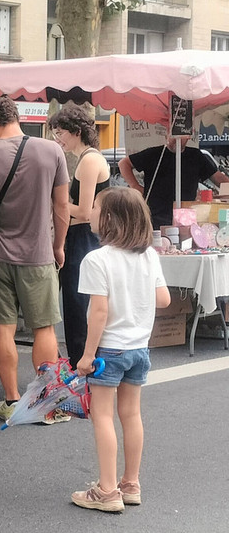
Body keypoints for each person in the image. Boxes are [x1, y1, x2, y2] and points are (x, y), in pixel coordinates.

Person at [0, 95, 70, 422]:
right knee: (44, 328)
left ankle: (12, 401)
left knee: (3, 327)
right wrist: (58, 245)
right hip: (39, 256)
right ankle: (45, 403)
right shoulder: (52, 151)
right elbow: (62, 206)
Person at [73, 188, 170, 512]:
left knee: (102, 416)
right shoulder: (148, 256)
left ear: (110, 218)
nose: (91, 213)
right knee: (131, 415)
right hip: (139, 349)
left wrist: (87, 356)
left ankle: (107, 490)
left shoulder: (96, 259)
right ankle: (130, 483)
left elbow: (98, 313)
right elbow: (163, 299)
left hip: (108, 351)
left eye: (96, 207)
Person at [49, 103, 110, 370]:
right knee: (76, 305)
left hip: (85, 237)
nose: (58, 139)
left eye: (60, 133)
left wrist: (56, 202)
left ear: (76, 131)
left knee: (77, 304)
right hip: (82, 237)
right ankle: (82, 366)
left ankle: (82, 367)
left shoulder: (89, 160)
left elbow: (85, 212)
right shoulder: (87, 158)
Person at [118, 135, 229, 229]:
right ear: (166, 136)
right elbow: (124, 163)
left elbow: (218, 178)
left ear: (188, 137)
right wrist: (135, 186)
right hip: (156, 214)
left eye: (180, 136)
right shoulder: (154, 153)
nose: (176, 139)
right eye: (173, 136)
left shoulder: (196, 156)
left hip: (186, 215)